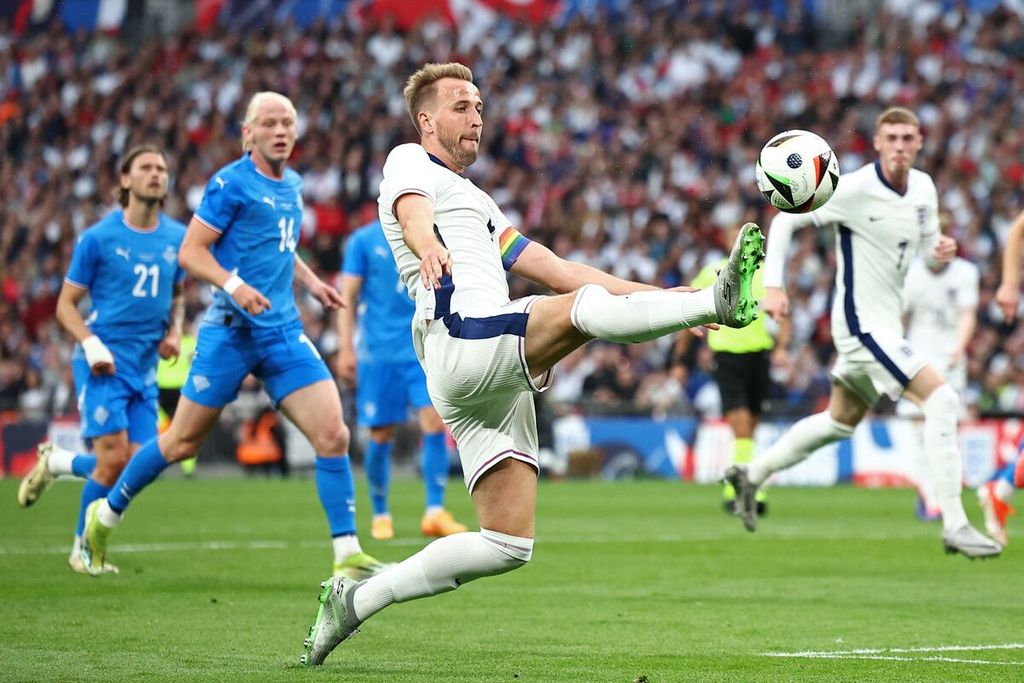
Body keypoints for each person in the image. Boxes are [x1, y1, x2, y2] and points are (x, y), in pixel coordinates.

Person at [300, 62, 765, 666]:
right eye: (462, 106)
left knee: (506, 543)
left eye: (480, 106)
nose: (477, 117)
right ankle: (716, 303)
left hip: (487, 372)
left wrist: (663, 296)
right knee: (575, 313)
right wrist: (427, 244)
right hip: (461, 340)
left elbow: (560, 269)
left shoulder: (479, 202)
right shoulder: (407, 161)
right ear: (427, 119)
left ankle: (355, 601)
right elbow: (412, 211)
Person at [80, 92, 388, 580]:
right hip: (231, 333)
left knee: (334, 434)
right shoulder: (229, 184)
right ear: (249, 134)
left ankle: (346, 552)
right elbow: (191, 252)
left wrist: (312, 284)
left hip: (283, 332)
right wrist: (234, 285)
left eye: (288, 121)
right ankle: (108, 514)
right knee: (180, 443)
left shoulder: (293, 184)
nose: (281, 130)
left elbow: (280, 249)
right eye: (269, 123)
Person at [724, 107, 1002, 559]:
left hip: (885, 325)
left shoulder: (925, 190)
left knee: (838, 423)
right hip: (859, 324)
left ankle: (751, 475)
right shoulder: (852, 188)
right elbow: (785, 219)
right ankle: (955, 523)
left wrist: (940, 250)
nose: (899, 145)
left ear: (919, 142)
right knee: (943, 399)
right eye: (890, 137)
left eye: (907, 137)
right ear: (876, 143)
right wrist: (773, 285)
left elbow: (929, 250)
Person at [16, 144, 187, 574]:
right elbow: (65, 305)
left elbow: (180, 291)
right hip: (103, 365)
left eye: (162, 169)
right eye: (146, 167)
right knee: (113, 461)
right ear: (125, 180)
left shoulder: (178, 237)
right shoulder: (97, 238)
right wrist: (91, 344)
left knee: (144, 463)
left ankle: (57, 462)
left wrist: (175, 329)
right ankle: (82, 549)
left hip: (146, 369)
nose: (156, 174)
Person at [336, 219, 467, 541]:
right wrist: (345, 348)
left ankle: (434, 511)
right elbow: (347, 296)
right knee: (381, 433)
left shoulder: (431, 234)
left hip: (421, 347)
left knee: (435, 422)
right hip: (378, 353)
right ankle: (381, 514)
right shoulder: (363, 240)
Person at [681, 222, 790, 514]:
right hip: (728, 356)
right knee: (741, 426)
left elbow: (784, 313)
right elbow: (688, 304)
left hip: (759, 355)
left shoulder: (767, 274)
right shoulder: (713, 271)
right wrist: (681, 359)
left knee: (750, 428)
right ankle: (743, 490)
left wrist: (780, 348)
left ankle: (741, 484)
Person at [896, 221, 979, 522]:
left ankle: (941, 493)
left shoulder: (966, 273)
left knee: (946, 430)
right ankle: (929, 495)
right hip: (917, 357)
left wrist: (959, 346)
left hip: (951, 358)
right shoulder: (911, 273)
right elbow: (898, 316)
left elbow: (968, 314)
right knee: (920, 429)